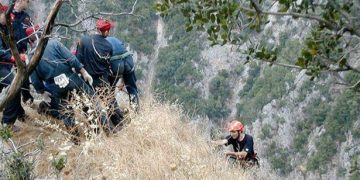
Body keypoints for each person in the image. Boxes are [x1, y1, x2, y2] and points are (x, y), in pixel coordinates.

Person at [26, 26, 94, 129]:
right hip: (70, 77)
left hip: (55, 86)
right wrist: (83, 71)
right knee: (88, 103)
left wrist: (42, 92)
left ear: (29, 41)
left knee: (66, 114)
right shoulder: (54, 43)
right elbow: (71, 58)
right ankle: (97, 131)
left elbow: (35, 80)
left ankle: (76, 140)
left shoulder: (31, 56)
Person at [76, 19, 124, 127]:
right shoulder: (108, 46)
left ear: (97, 29)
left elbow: (78, 61)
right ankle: (119, 125)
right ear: (106, 32)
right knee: (110, 102)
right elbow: (108, 63)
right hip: (103, 80)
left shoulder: (83, 40)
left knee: (88, 105)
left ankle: (96, 128)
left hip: (87, 80)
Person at [0, 4, 27, 132]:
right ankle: (8, 123)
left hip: (3, 64)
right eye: (6, 17)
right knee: (14, 87)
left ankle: (15, 116)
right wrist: (12, 57)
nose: (8, 21)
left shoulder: (3, 28)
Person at [106, 36, 139, 111]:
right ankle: (136, 112)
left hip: (116, 64)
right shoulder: (115, 39)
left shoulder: (102, 43)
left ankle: (117, 114)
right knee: (132, 88)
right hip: (128, 60)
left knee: (110, 91)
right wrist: (122, 80)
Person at [13, 0, 34, 104]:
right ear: (19, 1)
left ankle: (26, 97)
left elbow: (30, 32)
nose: (28, 3)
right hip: (9, 51)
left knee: (24, 75)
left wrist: (32, 37)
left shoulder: (26, 16)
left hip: (22, 51)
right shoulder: (8, 15)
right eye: (27, 1)